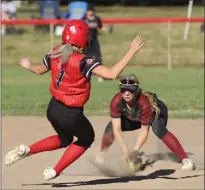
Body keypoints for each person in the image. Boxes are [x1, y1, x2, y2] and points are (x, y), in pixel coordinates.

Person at [4, 20, 144, 180]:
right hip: (70, 113)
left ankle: (27, 149)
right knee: (86, 138)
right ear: (84, 40)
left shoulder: (55, 52)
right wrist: (131, 51)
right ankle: (55, 171)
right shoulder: (83, 61)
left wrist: (29, 66)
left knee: (65, 139)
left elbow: (39, 70)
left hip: (53, 108)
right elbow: (112, 74)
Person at [98, 74, 196, 171]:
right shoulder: (116, 101)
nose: (127, 93)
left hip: (157, 110)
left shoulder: (144, 103)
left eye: (130, 90)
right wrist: (125, 152)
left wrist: (135, 151)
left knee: (158, 129)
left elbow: (144, 131)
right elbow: (117, 130)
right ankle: (101, 156)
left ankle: (186, 160)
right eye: (123, 90)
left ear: (136, 91)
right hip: (135, 116)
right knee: (110, 127)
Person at [82, 4, 108, 82]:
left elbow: (101, 27)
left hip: (95, 41)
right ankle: (84, 73)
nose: (89, 12)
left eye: (91, 10)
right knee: (84, 57)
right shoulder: (83, 19)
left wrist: (107, 29)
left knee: (98, 57)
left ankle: (100, 75)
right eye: (88, 11)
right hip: (86, 42)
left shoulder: (97, 19)